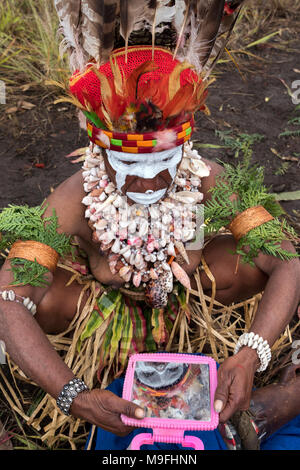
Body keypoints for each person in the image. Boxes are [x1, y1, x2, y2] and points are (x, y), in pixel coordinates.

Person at [0, 0, 299, 449]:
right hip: (98, 311)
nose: (147, 180)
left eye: (164, 161)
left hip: (189, 300)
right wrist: (73, 394)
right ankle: (107, 374)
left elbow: (288, 259)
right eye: (128, 163)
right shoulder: (74, 196)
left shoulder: (204, 178)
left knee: (259, 260)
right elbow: (8, 296)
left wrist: (247, 357)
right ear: (100, 154)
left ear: (184, 149)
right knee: (29, 300)